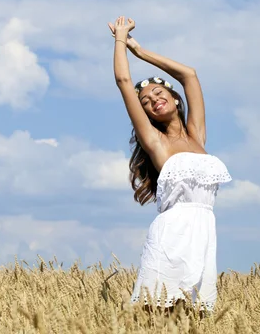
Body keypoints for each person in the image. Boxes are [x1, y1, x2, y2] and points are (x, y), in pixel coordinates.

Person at [108, 16, 232, 315]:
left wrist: (141, 51)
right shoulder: (155, 142)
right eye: (146, 102)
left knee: (196, 316)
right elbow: (124, 82)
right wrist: (121, 41)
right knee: (157, 314)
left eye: (158, 94)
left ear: (174, 99)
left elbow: (189, 75)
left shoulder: (197, 135)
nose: (153, 101)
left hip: (203, 234)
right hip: (171, 233)